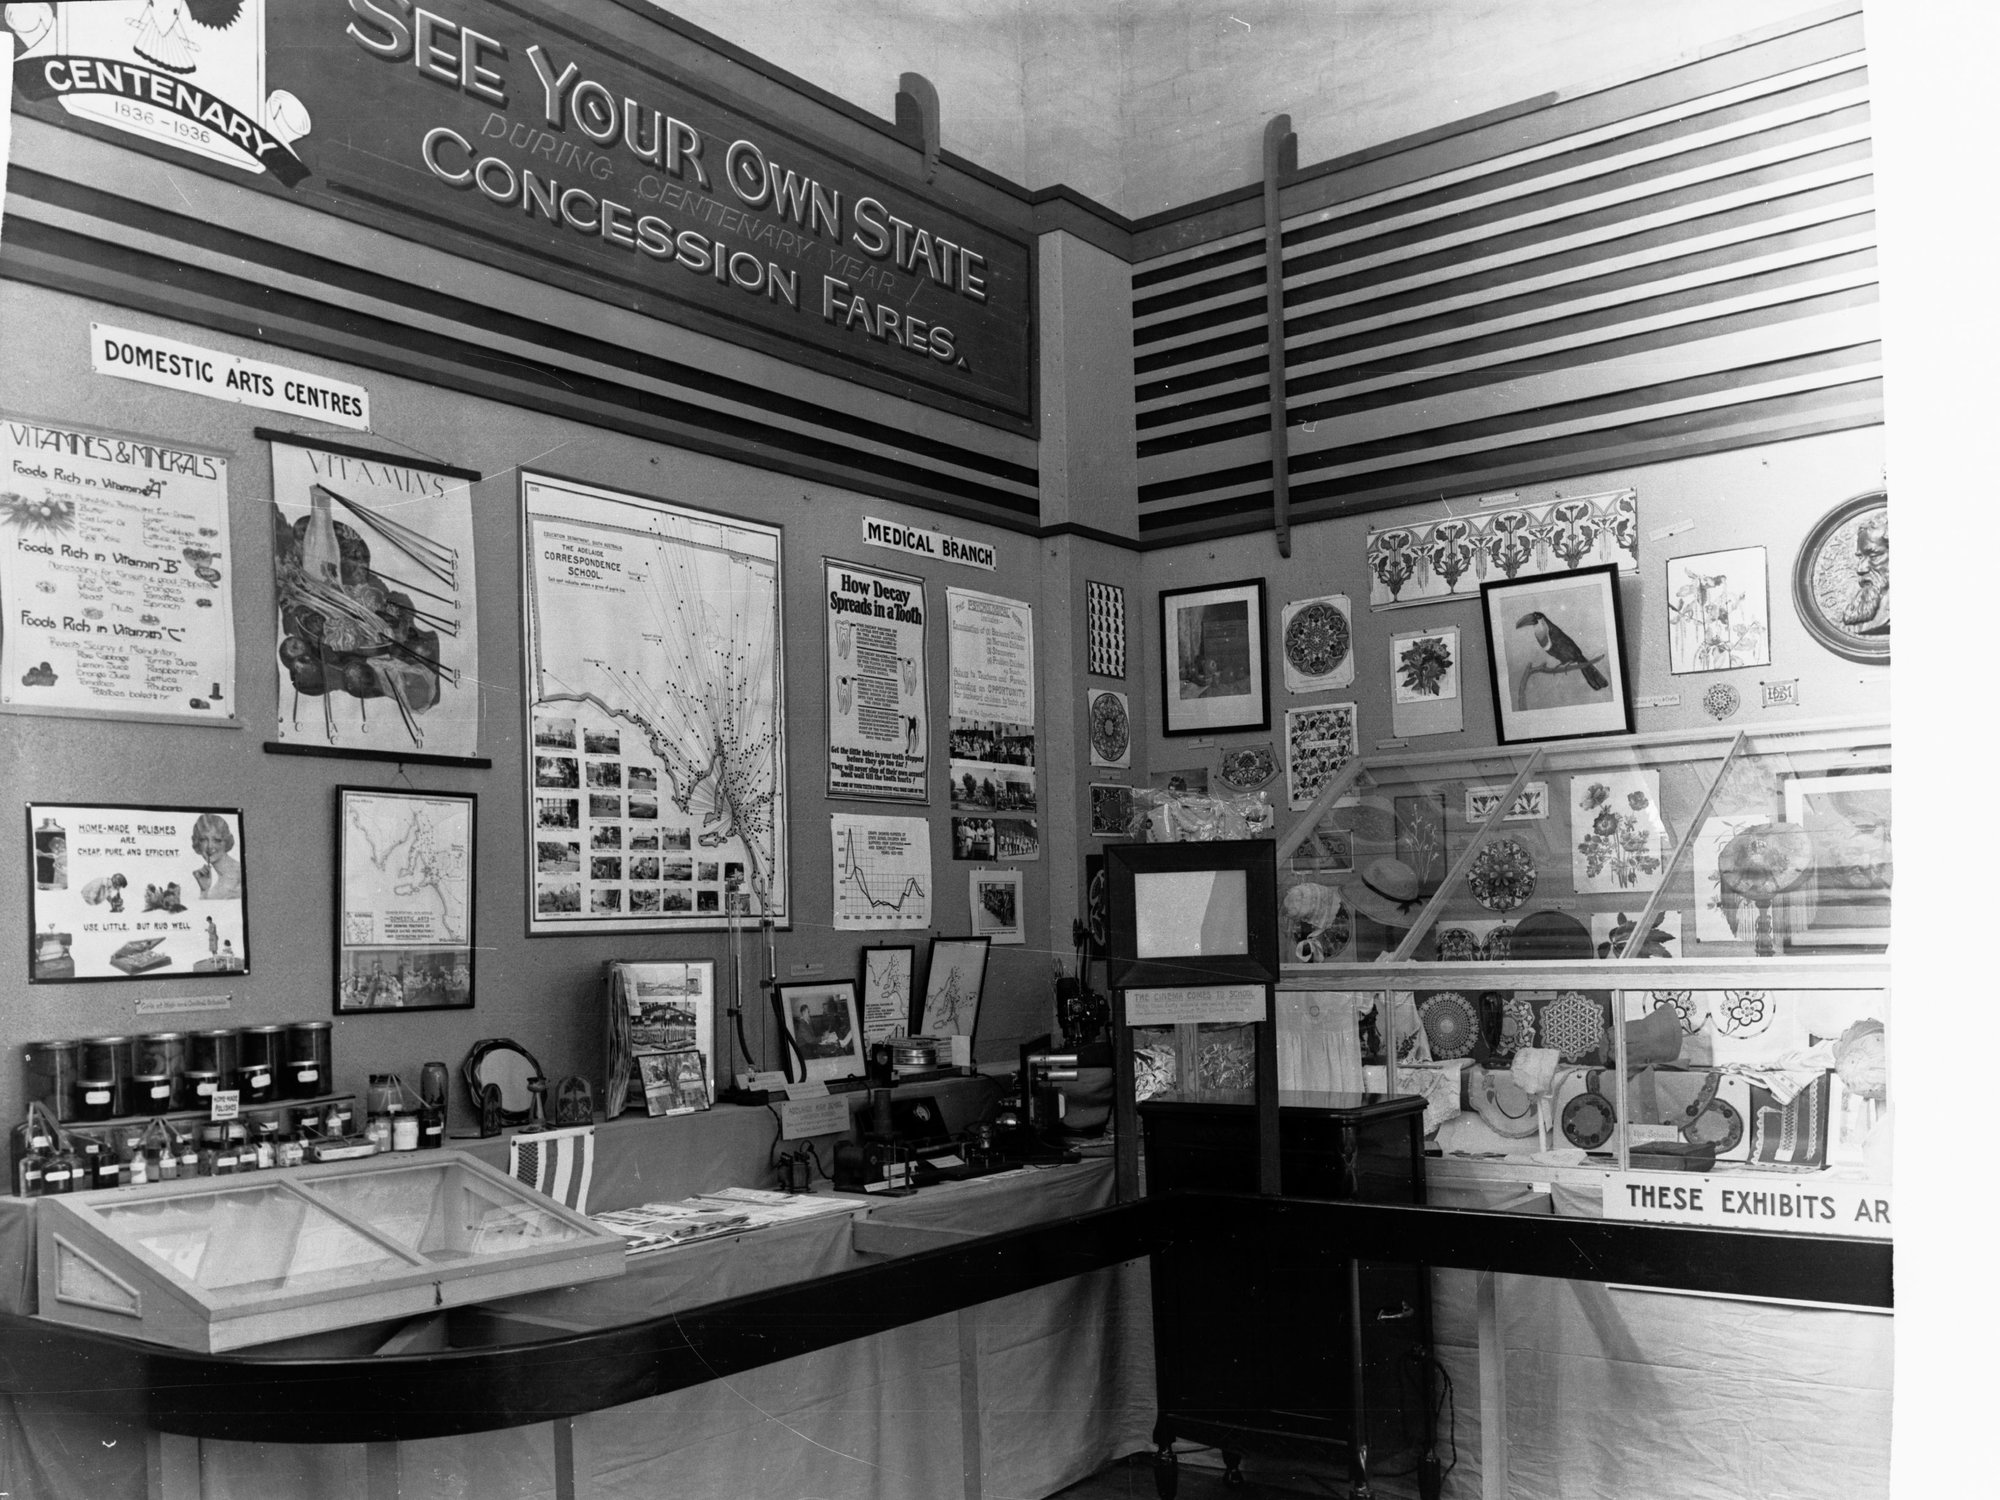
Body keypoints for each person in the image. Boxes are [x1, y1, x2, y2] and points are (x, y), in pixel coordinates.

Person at [189, 813, 241, 900]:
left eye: (217, 840)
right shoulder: (222, 879)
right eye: (203, 840)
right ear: (197, 842)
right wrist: (204, 891)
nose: (209, 846)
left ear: (226, 842)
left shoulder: (237, 876)